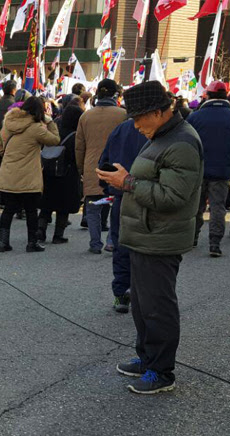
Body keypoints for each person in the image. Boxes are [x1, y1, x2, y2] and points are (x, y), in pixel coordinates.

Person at [97, 81, 203, 394]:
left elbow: (172, 197)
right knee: (142, 305)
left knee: (158, 307)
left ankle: (161, 371)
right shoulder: (160, 134)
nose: (135, 125)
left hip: (160, 238)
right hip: (144, 234)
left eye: (139, 118)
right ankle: (146, 357)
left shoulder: (182, 141)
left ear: (158, 112)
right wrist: (124, 180)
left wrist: (126, 182)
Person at [186, 80, 230, 257]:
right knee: (217, 208)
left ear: (208, 95)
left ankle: (193, 238)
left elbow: (186, 143)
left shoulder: (195, 116)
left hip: (198, 171)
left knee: (195, 207)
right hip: (222, 171)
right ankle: (214, 243)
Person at [0, 97, 60, 253]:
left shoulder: (8, 125)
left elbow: (0, 147)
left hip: (9, 172)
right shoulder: (36, 128)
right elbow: (55, 140)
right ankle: (32, 242)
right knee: (31, 210)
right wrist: (50, 121)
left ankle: (3, 242)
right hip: (29, 175)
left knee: (8, 209)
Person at [98, 119, 148, 313]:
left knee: (122, 245)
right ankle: (143, 294)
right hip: (151, 196)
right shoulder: (165, 130)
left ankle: (121, 294)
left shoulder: (121, 128)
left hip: (122, 195)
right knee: (148, 247)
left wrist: (107, 187)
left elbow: (105, 162)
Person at [75, 79, 127, 254]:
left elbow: (79, 146)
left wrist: (80, 168)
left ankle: (95, 243)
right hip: (117, 165)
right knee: (116, 205)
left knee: (92, 206)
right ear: (115, 94)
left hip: (92, 165)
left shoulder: (86, 116)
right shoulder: (123, 115)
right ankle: (112, 241)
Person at [39, 100, 84, 245]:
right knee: (63, 206)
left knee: (47, 203)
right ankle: (58, 234)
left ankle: (40, 230)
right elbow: (77, 155)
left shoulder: (55, 131)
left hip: (49, 171)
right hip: (68, 173)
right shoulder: (76, 136)